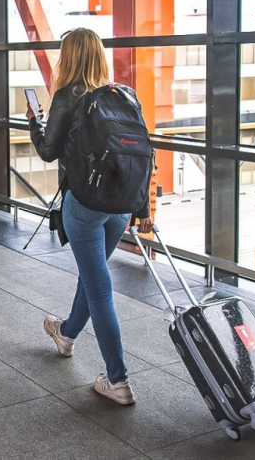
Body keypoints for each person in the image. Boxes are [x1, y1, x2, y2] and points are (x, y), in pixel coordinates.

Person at [27, 28, 154, 406]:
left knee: (99, 287)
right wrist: (141, 209)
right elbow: (140, 155)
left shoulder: (68, 96)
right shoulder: (124, 94)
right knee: (92, 273)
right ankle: (65, 334)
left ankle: (118, 380)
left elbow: (48, 152)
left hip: (84, 205)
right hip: (120, 207)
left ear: (68, 57)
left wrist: (34, 121)